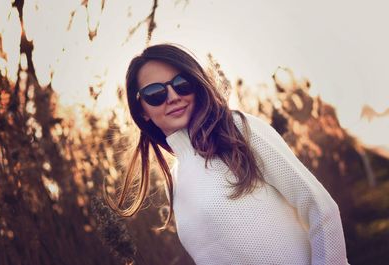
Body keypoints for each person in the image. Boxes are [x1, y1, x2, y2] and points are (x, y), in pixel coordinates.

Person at [105, 43, 350, 265]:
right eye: (155, 94)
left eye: (181, 84)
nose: (173, 97)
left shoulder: (238, 130)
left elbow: (320, 207)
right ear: (142, 110)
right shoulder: (175, 179)